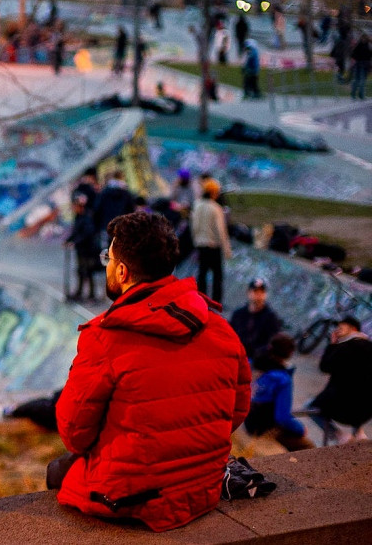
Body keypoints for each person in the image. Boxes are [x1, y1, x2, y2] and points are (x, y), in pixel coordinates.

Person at [51, 212, 250, 532]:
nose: (106, 266)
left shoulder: (105, 339)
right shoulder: (221, 329)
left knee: (58, 471)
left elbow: (74, 434)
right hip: (202, 490)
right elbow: (235, 412)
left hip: (131, 500)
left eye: (108, 258)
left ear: (122, 270)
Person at [308, 316, 372, 444]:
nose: (337, 331)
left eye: (341, 328)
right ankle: (359, 432)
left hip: (340, 407)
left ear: (353, 329)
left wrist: (332, 345)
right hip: (367, 410)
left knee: (311, 408)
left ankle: (340, 435)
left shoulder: (343, 347)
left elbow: (324, 367)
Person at [245, 333, 314, 452]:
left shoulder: (254, 364)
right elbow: (282, 417)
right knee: (309, 448)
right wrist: (301, 429)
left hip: (249, 421)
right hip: (265, 427)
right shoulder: (282, 379)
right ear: (290, 353)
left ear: (269, 347)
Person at [190, 179, 231, 304]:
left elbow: (194, 225)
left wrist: (195, 241)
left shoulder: (197, 205)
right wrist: (227, 249)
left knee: (202, 273)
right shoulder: (216, 208)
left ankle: (201, 300)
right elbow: (221, 231)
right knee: (217, 276)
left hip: (201, 245)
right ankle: (216, 301)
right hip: (213, 246)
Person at [228, 278, 282, 360]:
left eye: (262, 292)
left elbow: (274, 342)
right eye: (255, 291)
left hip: (259, 359)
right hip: (237, 355)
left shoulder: (270, 317)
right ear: (248, 293)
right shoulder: (238, 314)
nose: (258, 295)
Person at [65, 195, 100, 302]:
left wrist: (74, 242)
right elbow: (76, 231)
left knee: (88, 272)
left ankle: (92, 295)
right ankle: (79, 292)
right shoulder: (78, 217)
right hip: (81, 250)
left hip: (88, 250)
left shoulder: (87, 217)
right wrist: (69, 240)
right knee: (81, 271)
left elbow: (87, 234)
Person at [92, 170, 135, 244]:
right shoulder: (126, 193)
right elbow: (132, 210)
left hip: (108, 227)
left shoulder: (103, 194)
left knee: (110, 250)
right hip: (124, 226)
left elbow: (96, 211)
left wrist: (99, 227)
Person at [350, 33, 370, 101]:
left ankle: (353, 94)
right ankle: (361, 95)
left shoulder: (358, 45)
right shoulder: (366, 46)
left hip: (359, 64)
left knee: (357, 80)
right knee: (362, 80)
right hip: (363, 65)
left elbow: (353, 55)